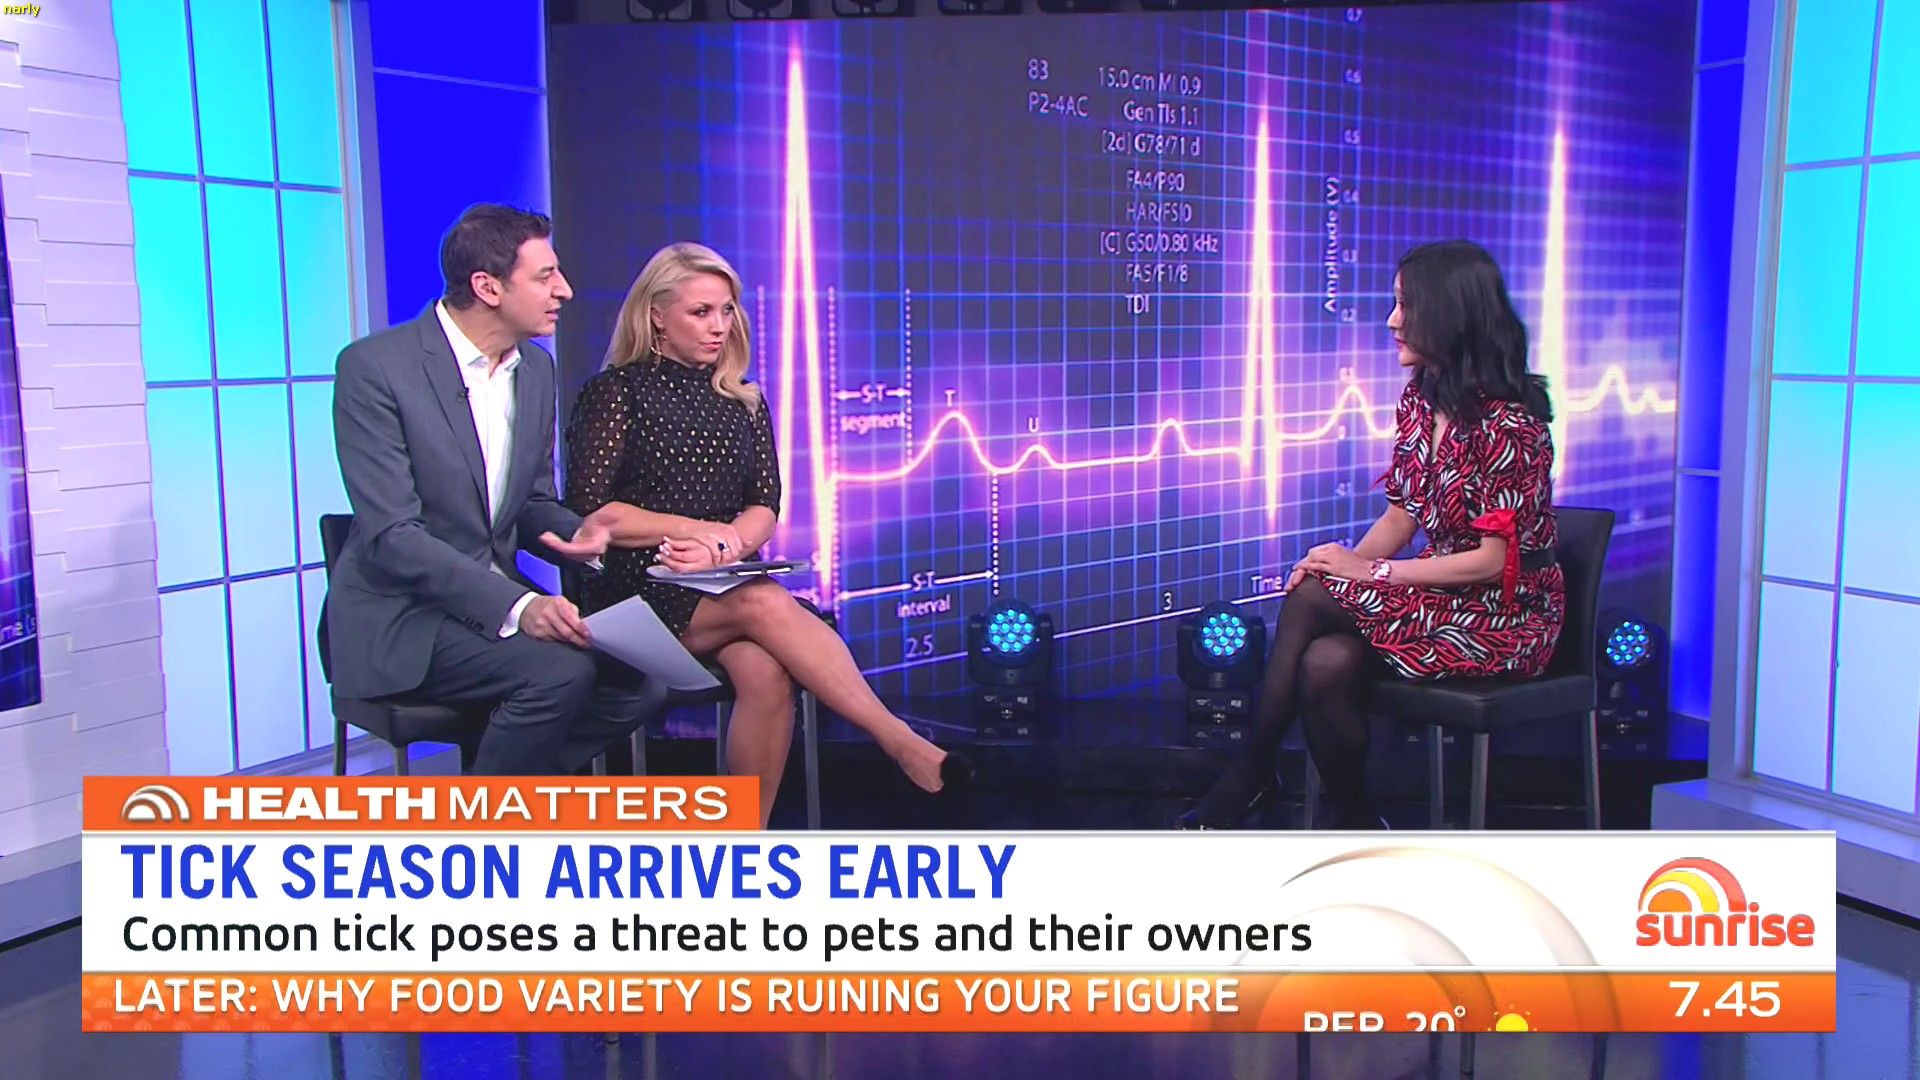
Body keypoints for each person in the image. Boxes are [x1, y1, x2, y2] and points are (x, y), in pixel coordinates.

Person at [563, 242, 970, 824]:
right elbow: (591, 511)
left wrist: (725, 545)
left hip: (715, 586)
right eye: (701, 312)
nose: (719, 326)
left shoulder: (744, 400)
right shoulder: (615, 391)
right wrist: (698, 532)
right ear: (656, 315)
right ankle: (898, 740)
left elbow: (764, 507)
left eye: (727, 311)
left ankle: (742, 840)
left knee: (766, 671)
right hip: (632, 594)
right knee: (763, 602)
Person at [1177, 240, 1565, 830]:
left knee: (1313, 597)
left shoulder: (1512, 425)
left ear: (1449, 313)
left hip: (1504, 617)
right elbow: (1401, 517)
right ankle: (1356, 825)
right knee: (1325, 661)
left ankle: (1250, 774)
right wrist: (1344, 569)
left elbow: (1492, 561)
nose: (1392, 321)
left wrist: (1368, 574)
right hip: (1442, 598)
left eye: (1406, 305)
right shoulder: (1421, 401)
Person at [328, 204, 659, 775]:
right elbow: (393, 535)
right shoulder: (376, 368)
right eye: (545, 276)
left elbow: (528, 502)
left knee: (639, 682)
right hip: (405, 617)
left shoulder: (535, 371)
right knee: (559, 674)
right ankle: (494, 818)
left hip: (488, 608)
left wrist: (577, 531)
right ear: (487, 287)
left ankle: (498, 794)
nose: (565, 290)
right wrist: (519, 606)